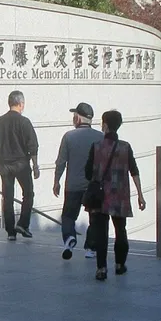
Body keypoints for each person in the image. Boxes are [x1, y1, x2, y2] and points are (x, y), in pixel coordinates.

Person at [83, 108, 146, 281]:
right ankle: (119, 265)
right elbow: (134, 171)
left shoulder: (96, 147)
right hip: (120, 196)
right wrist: (140, 195)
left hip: (100, 197)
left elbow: (87, 173)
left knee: (101, 233)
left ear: (105, 125)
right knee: (120, 230)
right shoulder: (125, 147)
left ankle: (101, 269)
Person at [53, 101, 102, 260]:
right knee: (94, 218)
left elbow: (61, 162)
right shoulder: (100, 137)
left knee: (68, 216)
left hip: (73, 185)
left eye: (74, 116)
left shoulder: (69, 136)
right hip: (93, 186)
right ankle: (90, 248)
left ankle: (69, 238)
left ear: (78, 119)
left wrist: (56, 181)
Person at [0, 89, 39, 241]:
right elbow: (33, 146)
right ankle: (23, 224)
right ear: (20, 104)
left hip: (5, 164)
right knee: (28, 194)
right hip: (21, 164)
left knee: (8, 197)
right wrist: (35, 166)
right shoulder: (24, 122)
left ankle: (11, 232)